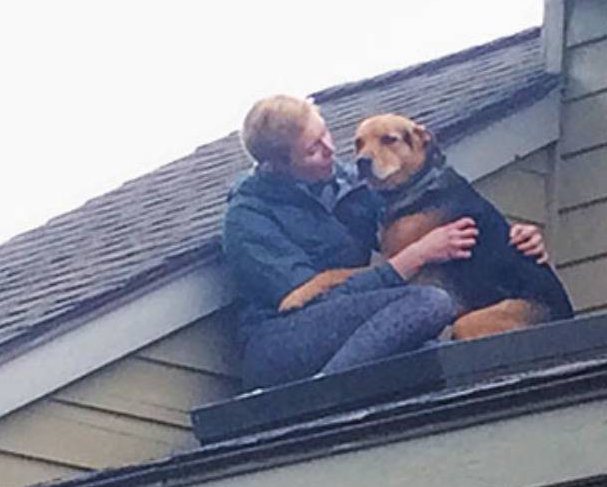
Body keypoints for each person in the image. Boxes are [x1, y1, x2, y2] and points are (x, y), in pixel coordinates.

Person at [221, 94, 547, 389]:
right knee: (428, 303)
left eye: (326, 134)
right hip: (280, 341)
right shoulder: (248, 216)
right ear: (277, 165)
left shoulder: (354, 185)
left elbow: (421, 213)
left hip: (353, 327)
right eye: (312, 149)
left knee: (430, 351)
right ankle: (323, 394)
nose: (330, 150)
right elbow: (307, 300)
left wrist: (515, 237)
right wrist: (414, 257)